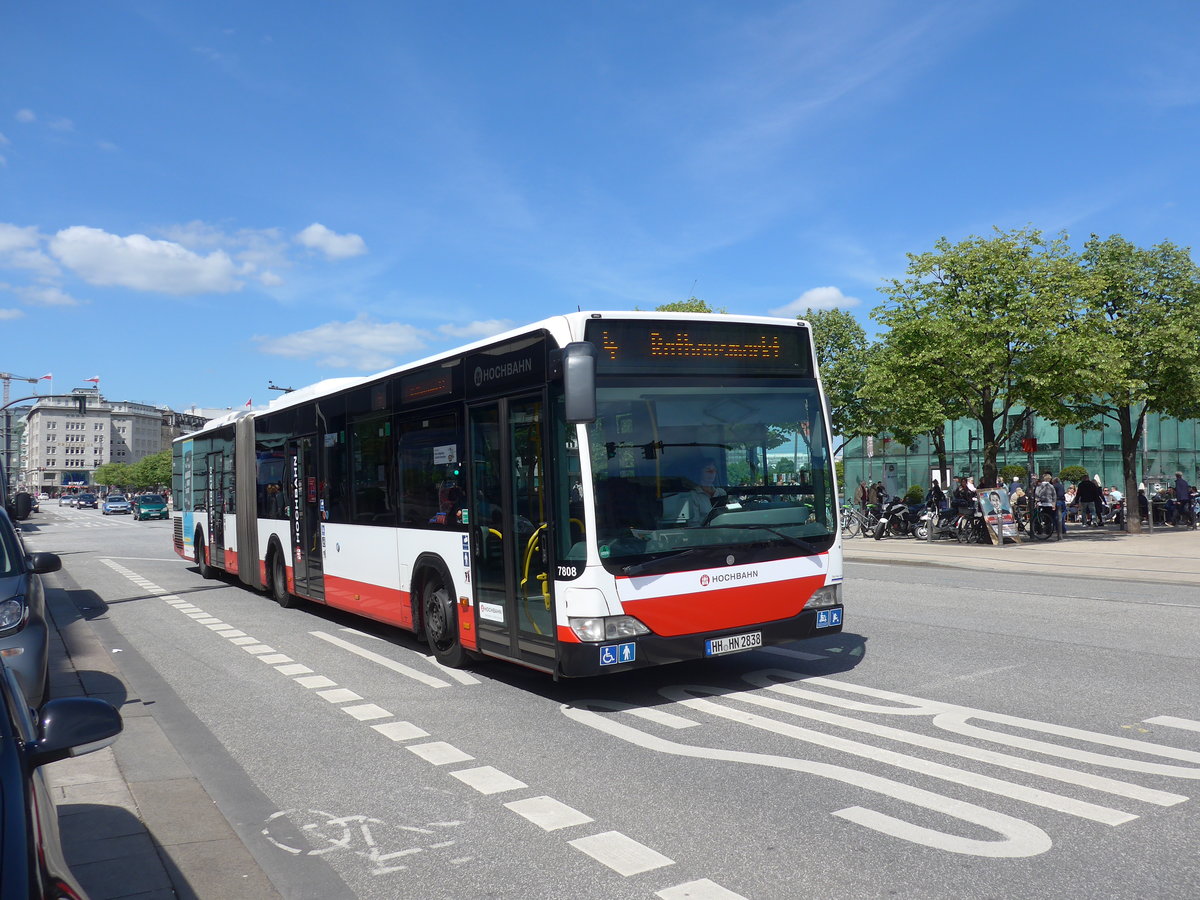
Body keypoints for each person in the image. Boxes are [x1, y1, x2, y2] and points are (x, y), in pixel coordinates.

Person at [1035, 474, 1059, 540]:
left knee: (1039, 517)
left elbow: (1036, 493)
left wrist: (1038, 499)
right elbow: (1054, 495)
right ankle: (1048, 530)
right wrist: (1053, 504)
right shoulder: (1051, 486)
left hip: (1041, 503)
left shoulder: (1040, 486)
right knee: (1049, 518)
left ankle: (1039, 530)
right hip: (1049, 504)